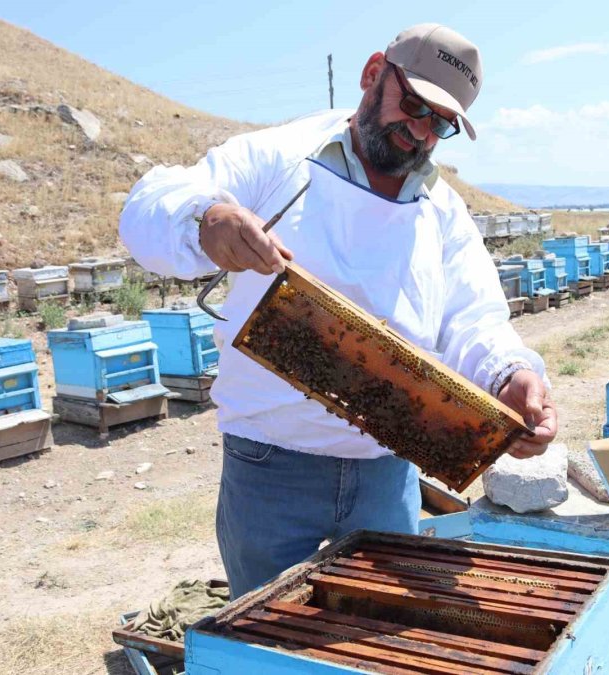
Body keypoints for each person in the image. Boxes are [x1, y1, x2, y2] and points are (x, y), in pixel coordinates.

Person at [120, 23, 557, 599]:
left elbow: (473, 317)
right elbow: (148, 205)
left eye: (440, 124)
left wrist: (511, 375)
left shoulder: (444, 212)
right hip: (270, 463)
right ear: (374, 74)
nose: (420, 133)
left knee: (384, 635)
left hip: (387, 469)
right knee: (263, 637)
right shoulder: (275, 158)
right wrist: (205, 218)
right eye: (414, 106)